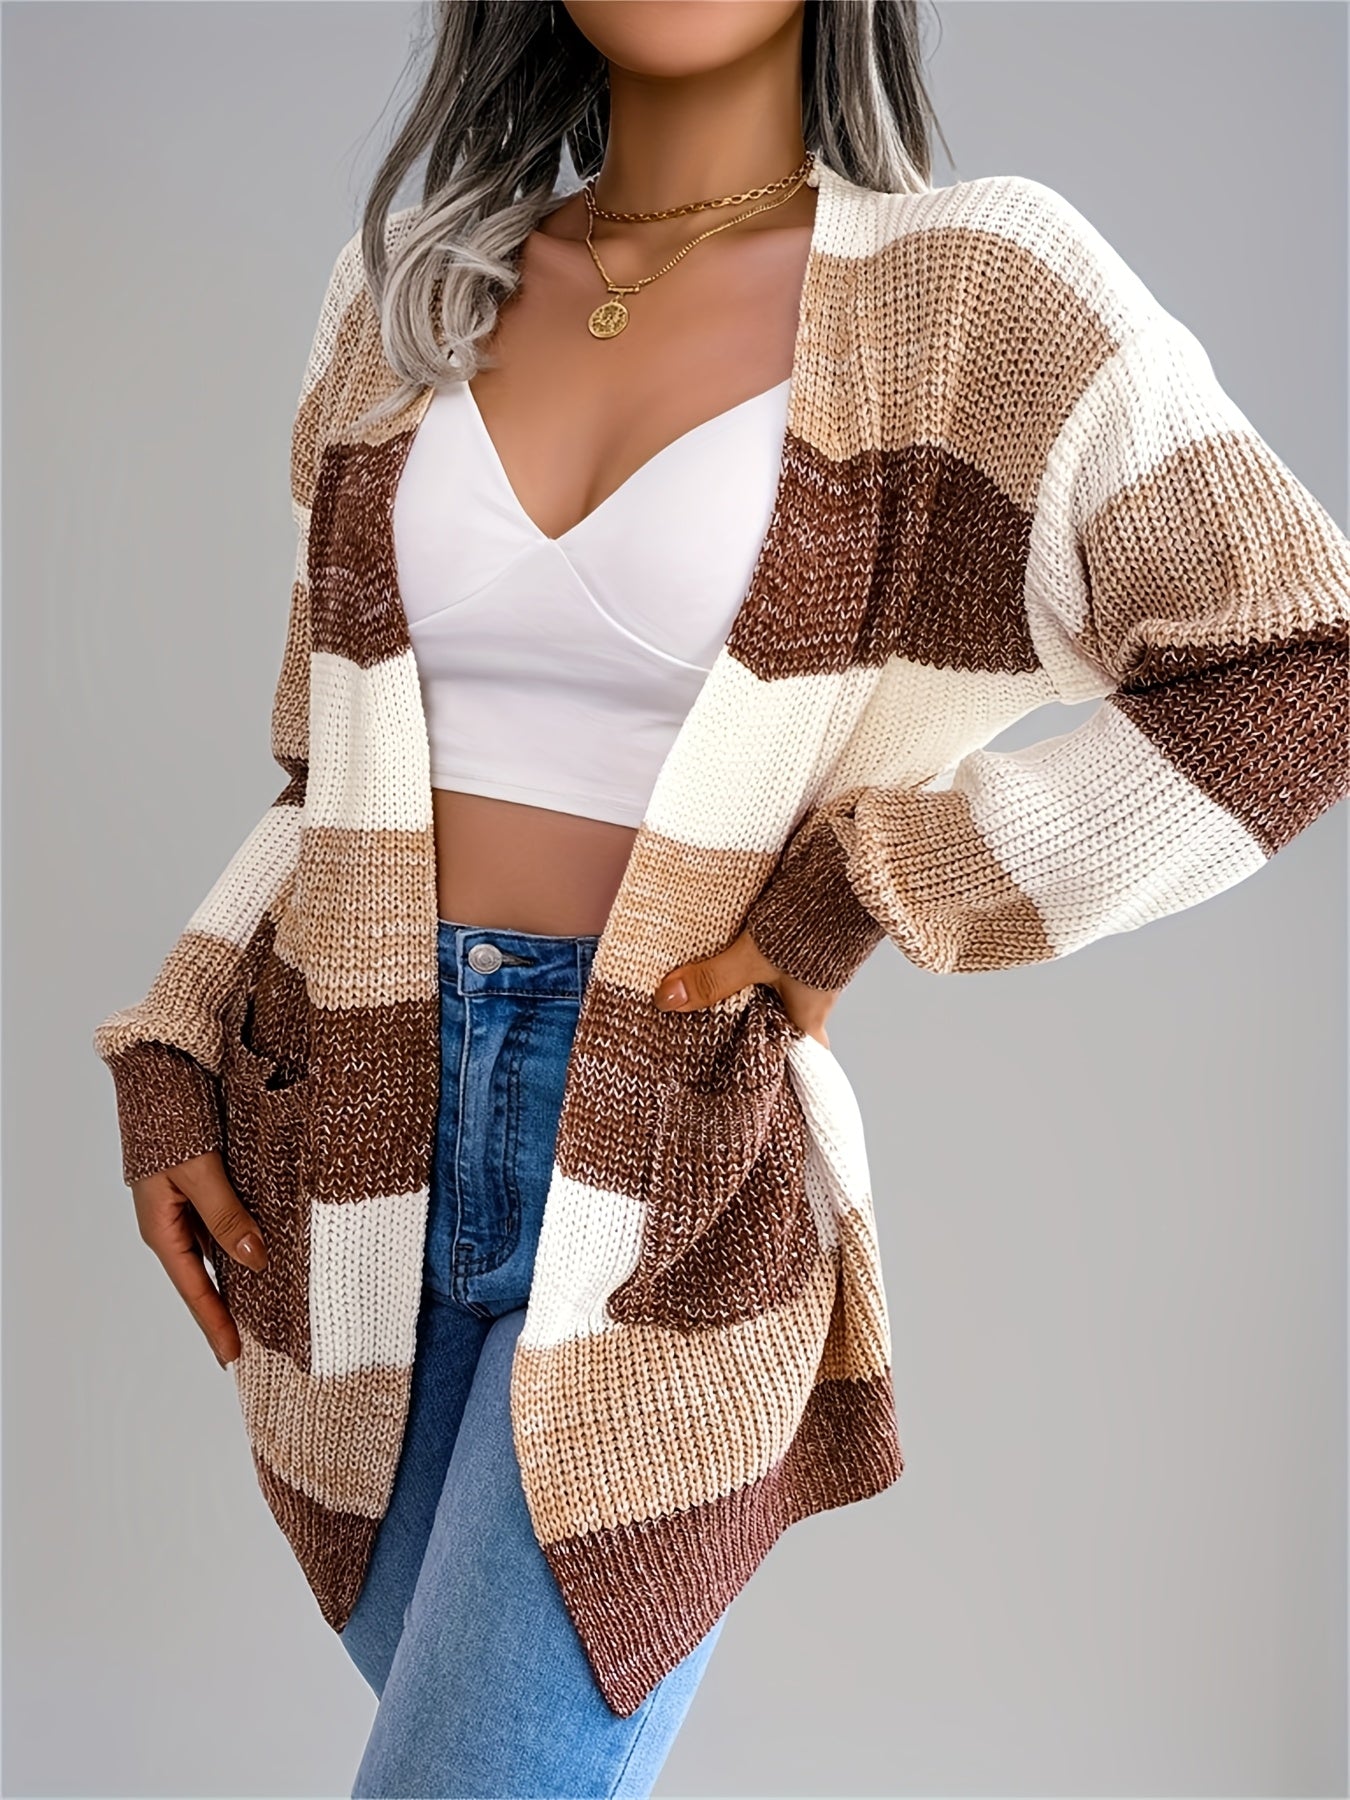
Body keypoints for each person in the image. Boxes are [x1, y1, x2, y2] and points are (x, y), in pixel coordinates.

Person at [92, 2, 1349, 1796]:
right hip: (342, 1147)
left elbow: (1299, 662)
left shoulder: (970, 292)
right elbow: (325, 783)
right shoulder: (406, 291)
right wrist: (172, 1040)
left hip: (663, 1155)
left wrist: (869, 885)